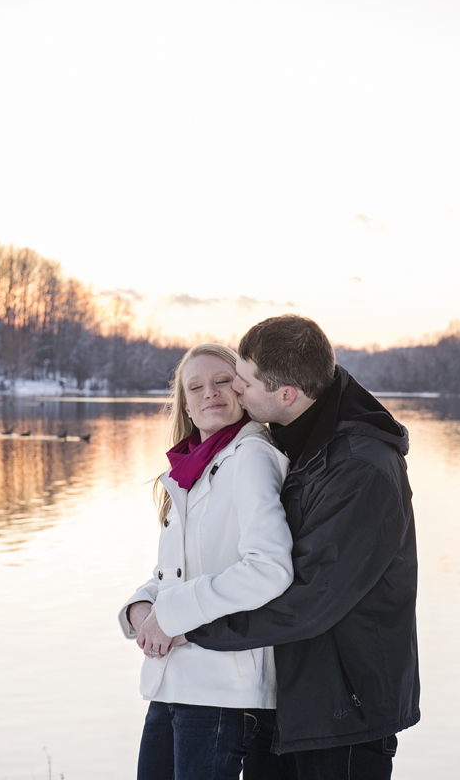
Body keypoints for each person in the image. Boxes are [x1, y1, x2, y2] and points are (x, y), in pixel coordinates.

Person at [185, 315, 420, 780]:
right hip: (289, 702)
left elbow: (310, 600)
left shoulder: (361, 469)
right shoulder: (299, 444)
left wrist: (193, 627)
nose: (235, 388)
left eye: (245, 381)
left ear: (286, 394)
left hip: (343, 715)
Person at [118, 344, 294, 780]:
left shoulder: (250, 456)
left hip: (222, 687)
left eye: (221, 381)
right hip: (174, 680)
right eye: (195, 387)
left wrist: (173, 616)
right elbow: (183, 570)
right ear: (186, 406)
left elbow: (269, 569)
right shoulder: (191, 470)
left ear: (242, 389)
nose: (209, 393)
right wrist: (143, 607)